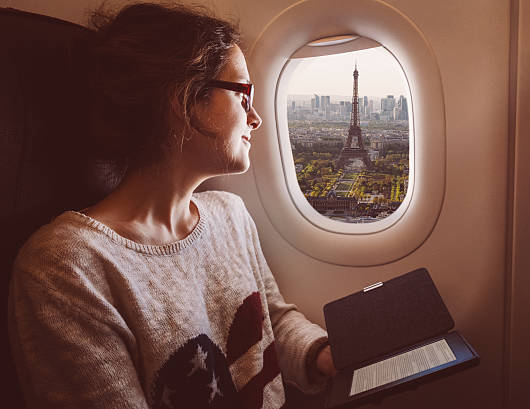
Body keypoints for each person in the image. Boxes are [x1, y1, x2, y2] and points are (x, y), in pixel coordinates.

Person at [7, 3, 336, 408]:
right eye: (243, 93)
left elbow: (271, 322)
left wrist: (324, 356)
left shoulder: (230, 215)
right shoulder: (67, 267)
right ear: (183, 100)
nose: (255, 118)